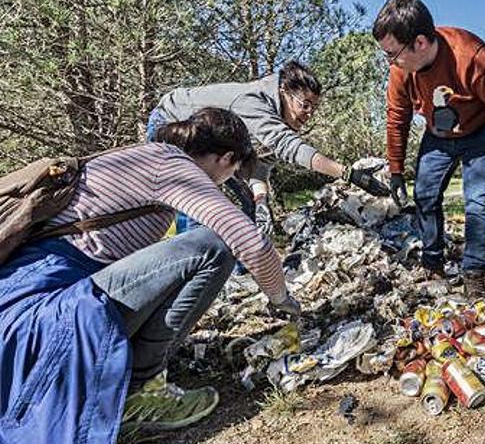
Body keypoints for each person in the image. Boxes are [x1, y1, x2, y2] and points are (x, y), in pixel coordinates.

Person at [0, 108, 300, 442]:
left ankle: (127, 375)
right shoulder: (171, 165)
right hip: (42, 312)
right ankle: (141, 391)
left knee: (191, 248)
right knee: (214, 247)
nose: (226, 182)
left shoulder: (140, 158)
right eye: (232, 172)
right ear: (227, 158)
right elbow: (249, 241)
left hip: (23, 301)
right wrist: (283, 300)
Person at [372, 0, 485, 300]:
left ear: (419, 43)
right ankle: (433, 264)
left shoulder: (473, 56)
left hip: (482, 133)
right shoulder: (401, 71)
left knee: (479, 202)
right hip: (437, 136)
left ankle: (473, 276)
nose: (391, 62)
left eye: (393, 54)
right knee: (425, 196)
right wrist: (396, 170)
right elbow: (397, 118)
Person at [149, 60, 390, 237]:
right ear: (284, 91)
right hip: (173, 124)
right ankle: (192, 270)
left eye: (313, 108)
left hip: (217, 144)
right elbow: (290, 147)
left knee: (250, 205)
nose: (308, 114)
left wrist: (261, 200)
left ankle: (245, 271)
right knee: (193, 202)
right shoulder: (254, 103)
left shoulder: (279, 120)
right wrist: (348, 174)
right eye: (304, 105)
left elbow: (259, 166)